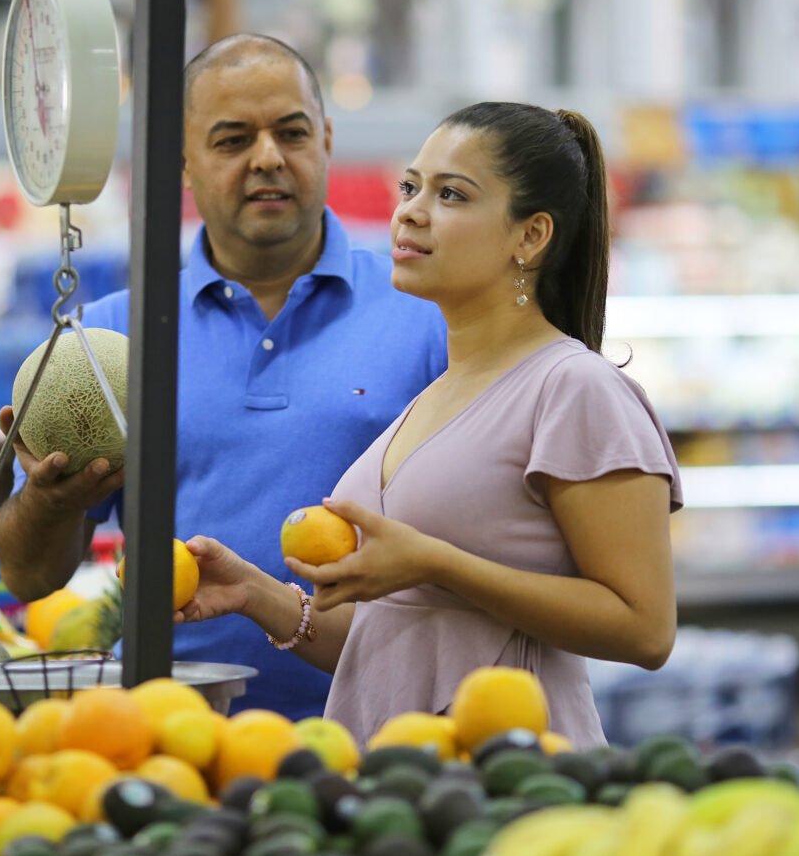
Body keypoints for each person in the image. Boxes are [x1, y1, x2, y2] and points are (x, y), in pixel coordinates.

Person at [180, 101, 682, 747]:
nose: (411, 211)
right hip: (394, 789)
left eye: (450, 194)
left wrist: (436, 564)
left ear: (530, 237)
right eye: (411, 187)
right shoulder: (438, 392)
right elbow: (393, 643)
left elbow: (645, 630)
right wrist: (253, 592)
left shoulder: (575, 388)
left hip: (509, 781)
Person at [0, 34, 449, 720]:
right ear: (183, 161)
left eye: (291, 133)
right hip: (173, 737)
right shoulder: (109, 339)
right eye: (232, 140)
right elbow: (30, 577)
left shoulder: (428, 311)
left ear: (325, 139)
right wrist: (50, 501)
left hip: (389, 730)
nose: (268, 157)